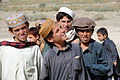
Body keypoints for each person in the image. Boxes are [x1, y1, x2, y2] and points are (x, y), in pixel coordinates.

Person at [0, 13, 43, 80]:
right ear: (11, 32)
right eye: (17, 30)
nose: (21, 32)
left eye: (23, 28)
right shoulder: (4, 48)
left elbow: (41, 71)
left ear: (28, 26)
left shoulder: (34, 48)